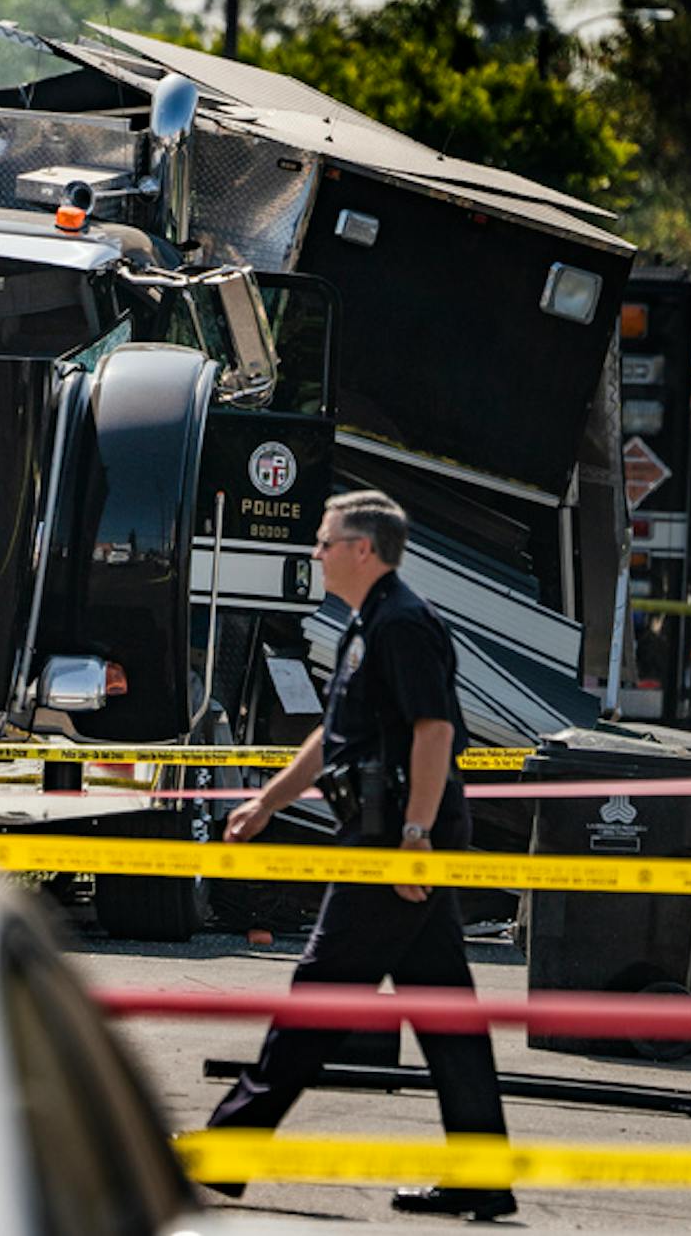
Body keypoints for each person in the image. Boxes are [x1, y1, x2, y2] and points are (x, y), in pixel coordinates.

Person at [203, 489, 514, 1222]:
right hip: (391, 831)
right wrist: (268, 800)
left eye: (324, 540)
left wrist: (414, 837)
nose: (315, 552)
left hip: (395, 842)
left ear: (362, 549)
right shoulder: (366, 623)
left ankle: (226, 1146)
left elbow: (435, 733)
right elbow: (335, 739)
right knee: (446, 1016)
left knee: (319, 991)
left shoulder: (402, 624)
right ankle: (483, 1176)